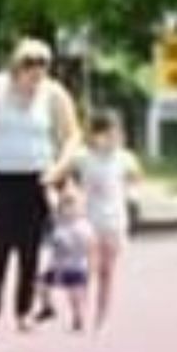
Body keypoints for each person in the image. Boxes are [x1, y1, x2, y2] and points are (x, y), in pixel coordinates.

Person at [0, 37, 80, 332]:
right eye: (29, 63)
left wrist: (58, 169)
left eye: (43, 64)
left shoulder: (53, 94)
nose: (36, 70)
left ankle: (24, 311)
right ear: (16, 65)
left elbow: (72, 137)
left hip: (36, 178)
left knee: (30, 248)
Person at [56, 112, 140, 330]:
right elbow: (63, 173)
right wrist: (68, 193)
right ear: (94, 136)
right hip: (87, 222)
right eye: (106, 134)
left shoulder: (125, 158)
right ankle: (79, 312)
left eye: (116, 133)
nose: (112, 138)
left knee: (107, 272)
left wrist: (132, 191)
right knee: (86, 269)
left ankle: (101, 319)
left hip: (114, 222)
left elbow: (136, 179)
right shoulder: (83, 157)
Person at [36, 177, 93, 333]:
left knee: (73, 294)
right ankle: (48, 307)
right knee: (40, 284)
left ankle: (78, 318)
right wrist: (47, 186)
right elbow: (51, 201)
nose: (67, 209)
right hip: (56, 265)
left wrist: (90, 266)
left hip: (75, 266)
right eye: (64, 206)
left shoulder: (82, 227)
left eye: (72, 205)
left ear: (82, 208)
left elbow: (88, 248)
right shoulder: (60, 220)